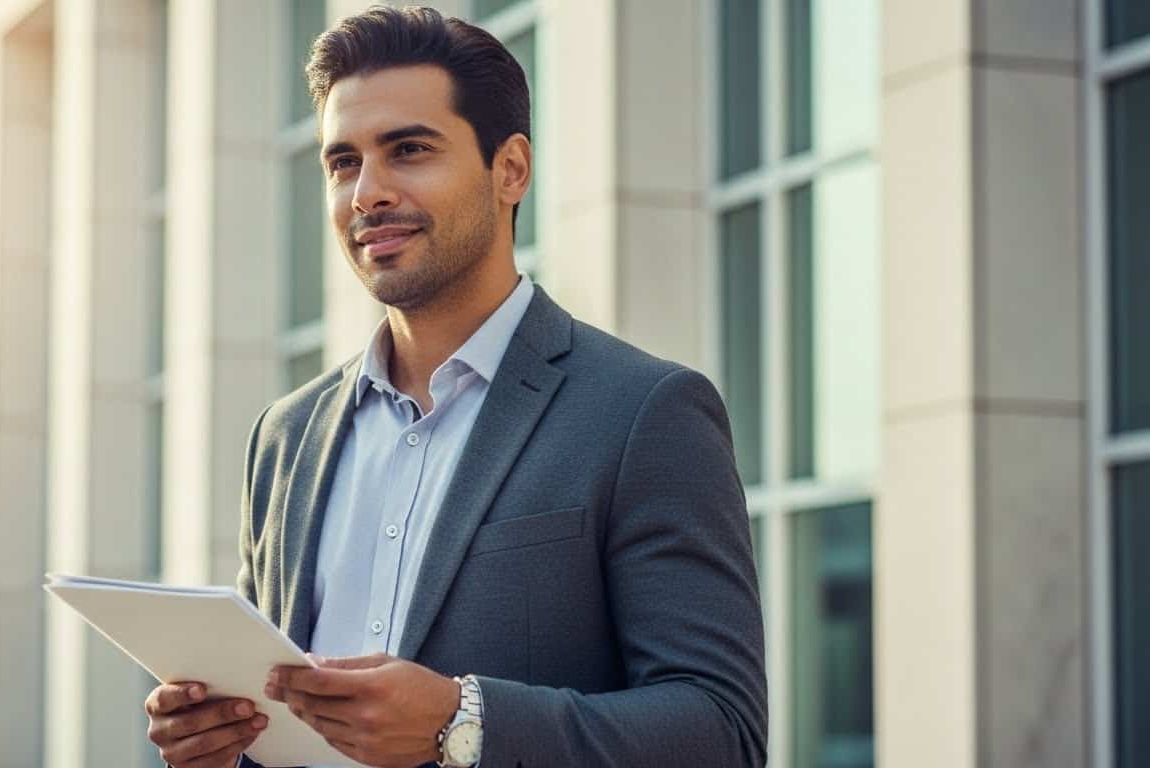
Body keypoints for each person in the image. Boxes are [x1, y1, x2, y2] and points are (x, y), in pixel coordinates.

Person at [144, 6, 766, 767]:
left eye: (407, 150)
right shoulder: (286, 435)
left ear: (509, 170)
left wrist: (461, 722)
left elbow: (720, 731)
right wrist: (218, 740)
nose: (366, 193)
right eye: (342, 162)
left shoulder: (643, 412)